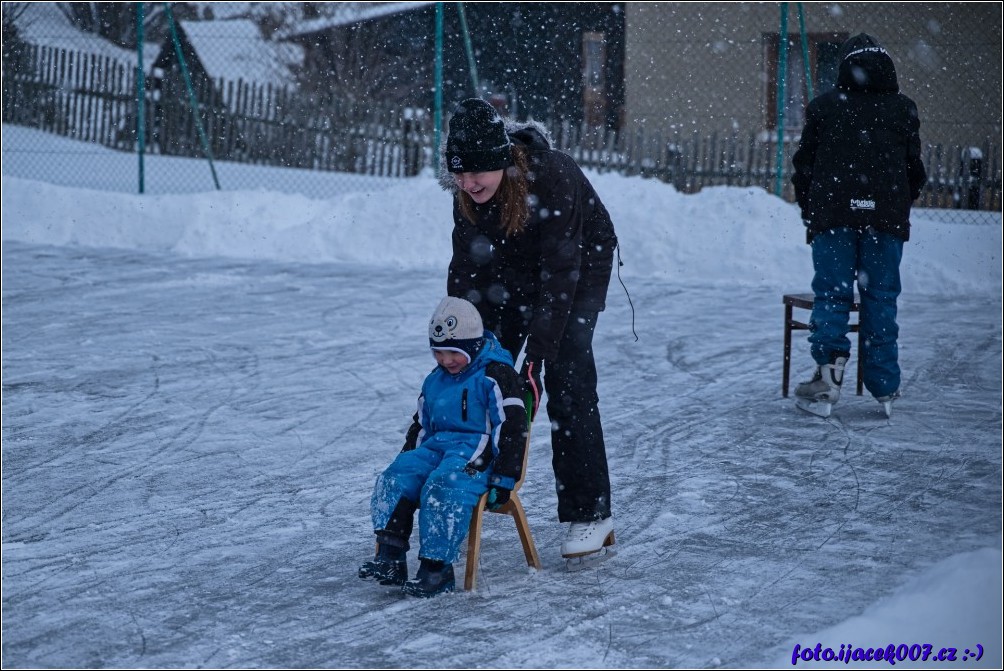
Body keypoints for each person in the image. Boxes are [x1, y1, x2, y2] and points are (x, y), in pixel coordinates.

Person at [441, 97, 619, 561]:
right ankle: (466, 493)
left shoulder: (552, 176)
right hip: (512, 276)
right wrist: (461, 333)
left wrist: (539, 354)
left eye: (476, 171)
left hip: (576, 271)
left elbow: (562, 271)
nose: (467, 182)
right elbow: (465, 267)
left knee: (566, 380)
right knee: (481, 378)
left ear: (501, 161)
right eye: (458, 173)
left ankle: (591, 514)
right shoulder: (468, 196)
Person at [791, 33, 927, 418]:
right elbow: (914, 171)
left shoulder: (825, 107)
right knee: (881, 297)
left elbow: (804, 168)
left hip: (833, 216)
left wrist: (812, 210)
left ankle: (827, 379)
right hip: (884, 220)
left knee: (833, 295)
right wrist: (894, 205)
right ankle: (885, 385)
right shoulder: (903, 109)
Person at [358, 296, 527, 597]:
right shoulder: (435, 380)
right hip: (437, 450)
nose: (446, 360)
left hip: (477, 456)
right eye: (439, 353)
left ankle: (436, 571)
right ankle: (390, 557)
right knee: (394, 477)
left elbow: (512, 427)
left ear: (472, 346)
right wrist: (406, 458)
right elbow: (422, 426)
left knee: (443, 487)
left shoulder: (495, 376)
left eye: (453, 352)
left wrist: (504, 477)